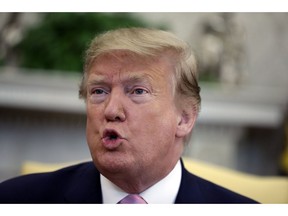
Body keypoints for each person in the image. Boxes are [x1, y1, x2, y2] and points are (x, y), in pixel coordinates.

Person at [0, 27, 257, 203]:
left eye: (137, 91)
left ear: (185, 118)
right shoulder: (15, 199)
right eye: (99, 91)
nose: (111, 111)